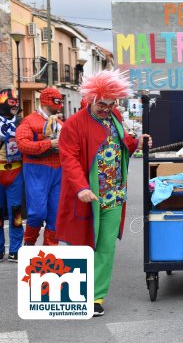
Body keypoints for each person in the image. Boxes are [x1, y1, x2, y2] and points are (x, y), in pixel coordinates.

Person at [55, 70, 152, 317]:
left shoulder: (116, 117)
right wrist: (82, 187)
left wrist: (138, 142)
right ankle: (72, 291)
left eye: (111, 104)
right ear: (90, 99)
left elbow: (123, 144)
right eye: (102, 104)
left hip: (114, 196)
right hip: (87, 197)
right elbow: (69, 159)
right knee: (82, 245)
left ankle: (96, 297)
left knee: (105, 247)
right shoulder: (73, 124)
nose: (107, 108)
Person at [16, 87, 64, 248]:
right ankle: (29, 243)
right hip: (36, 169)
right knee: (37, 213)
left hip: (58, 170)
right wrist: (49, 143)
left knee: (55, 215)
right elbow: (23, 145)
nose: (60, 105)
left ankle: (51, 251)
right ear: (47, 101)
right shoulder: (29, 121)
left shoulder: (60, 123)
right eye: (57, 101)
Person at [0, 89, 24, 262]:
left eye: (16, 102)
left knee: (16, 213)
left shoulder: (22, 123)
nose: (15, 105)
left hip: (16, 171)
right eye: (11, 102)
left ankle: (15, 249)